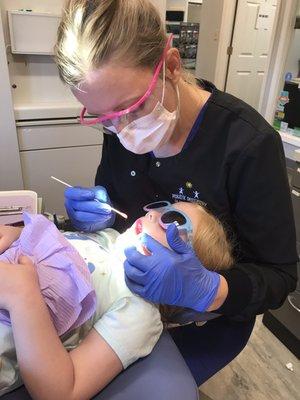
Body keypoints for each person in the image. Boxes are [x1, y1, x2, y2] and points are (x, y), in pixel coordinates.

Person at [2, 0, 298, 385]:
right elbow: (116, 211)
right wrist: (94, 217)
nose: (122, 131)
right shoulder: (120, 127)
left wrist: (210, 290)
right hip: (101, 294)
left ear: (171, 66)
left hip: (200, 316)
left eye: (132, 109)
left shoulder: (248, 145)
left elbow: (279, 277)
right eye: (105, 119)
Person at [0, 200, 231, 398]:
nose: (152, 213)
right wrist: (19, 234)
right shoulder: (109, 238)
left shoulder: (138, 311)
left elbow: (63, 391)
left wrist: (23, 296)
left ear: (184, 270)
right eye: (163, 207)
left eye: (172, 220)